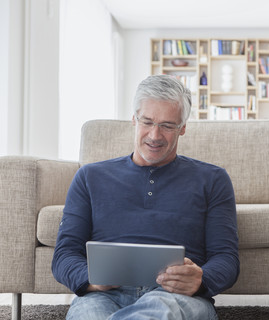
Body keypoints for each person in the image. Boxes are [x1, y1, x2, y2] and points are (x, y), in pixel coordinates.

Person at [52, 74, 240, 320]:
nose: (154, 135)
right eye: (147, 122)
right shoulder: (89, 177)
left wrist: (201, 280)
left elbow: (226, 259)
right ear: (134, 119)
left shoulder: (213, 179)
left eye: (167, 125)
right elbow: (64, 254)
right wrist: (91, 280)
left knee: (162, 309)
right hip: (102, 296)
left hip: (175, 297)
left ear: (183, 128)